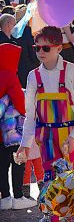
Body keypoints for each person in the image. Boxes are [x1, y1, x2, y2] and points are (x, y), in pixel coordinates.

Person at [16, 26, 74, 194]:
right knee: (53, 186)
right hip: (47, 139)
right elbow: (30, 115)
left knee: (72, 185)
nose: (40, 51)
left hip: (71, 137)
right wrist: (25, 145)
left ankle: (72, 218)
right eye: (37, 48)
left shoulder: (73, 71)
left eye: (46, 47)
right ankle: (54, 218)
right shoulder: (33, 76)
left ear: (58, 48)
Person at [0, 44, 37, 210]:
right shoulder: (9, 75)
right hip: (11, 130)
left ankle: (5, 198)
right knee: (17, 161)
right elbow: (22, 106)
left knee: (1, 165)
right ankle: (18, 197)